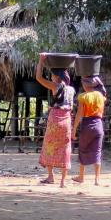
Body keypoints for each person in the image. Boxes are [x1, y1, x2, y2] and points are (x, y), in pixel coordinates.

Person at [35, 53, 75, 187]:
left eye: (53, 75)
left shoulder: (55, 86)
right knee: (65, 148)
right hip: (67, 121)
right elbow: (70, 106)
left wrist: (41, 61)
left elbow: (38, 77)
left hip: (55, 120)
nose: (52, 77)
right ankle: (63, 181)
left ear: (57, 77)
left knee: (49, 145)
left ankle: (51, 176)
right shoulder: (72, 89)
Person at [72, 75, 107, 185]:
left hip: (87, 124)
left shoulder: (83, 97)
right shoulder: (101, 96)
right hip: (99, 125)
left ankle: (81, 177)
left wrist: (74, 130)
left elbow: (79, 114)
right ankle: (97, 179)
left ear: (84, 84)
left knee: (83, 150)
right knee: (97, 151)